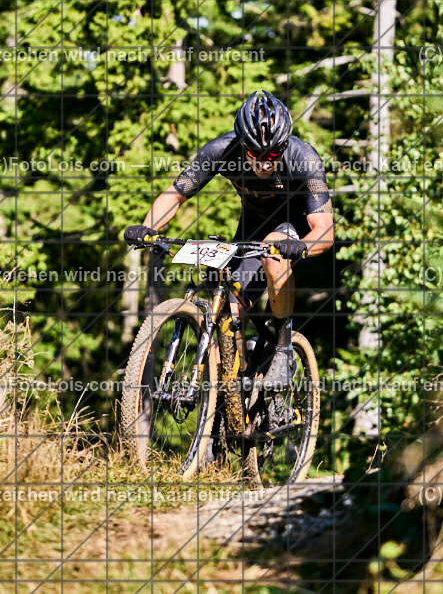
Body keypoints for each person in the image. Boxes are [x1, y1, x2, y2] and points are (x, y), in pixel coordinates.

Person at [124, 90, 334, 389]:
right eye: (255, 154)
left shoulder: (304, 159)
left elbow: (325, 230)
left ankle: (283, 348)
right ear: (242, 145)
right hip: (252, 226)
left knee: (274, 252)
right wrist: (147, 228)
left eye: (273, 155)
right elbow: (176, 194)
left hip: (295, 227)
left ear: (285, 146)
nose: (264, 163)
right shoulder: (220, 150)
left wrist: (301, 246)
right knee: (230, 311)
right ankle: (232, 393)